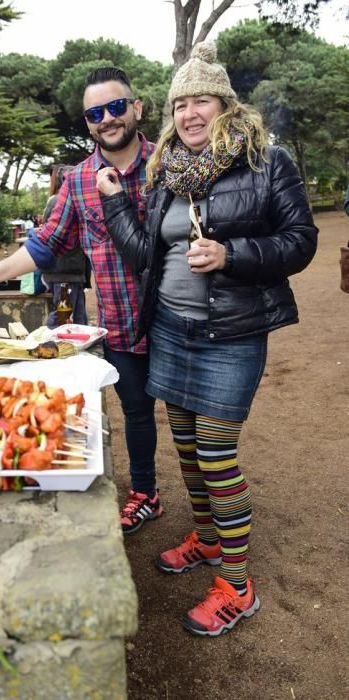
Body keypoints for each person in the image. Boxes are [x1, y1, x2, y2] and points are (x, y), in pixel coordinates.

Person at [97, 42, 318, 637]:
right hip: (172, 330)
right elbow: (148, 253)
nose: (189, 113)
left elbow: (301, 242)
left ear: (225, 103)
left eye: (201, 100)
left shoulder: (268, 162)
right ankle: (211, 539)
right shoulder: (165, 173)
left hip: (231, 335)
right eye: (180, 104)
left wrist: (232, 253)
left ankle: (238, 586)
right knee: (190, 453)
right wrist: (116, 205)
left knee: (218, 457)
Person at [0, 67, 161, 533]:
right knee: (135, 412)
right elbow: (44, 244)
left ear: (137, 108)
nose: (107, 119)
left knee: (190, 421)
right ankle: (147, 491)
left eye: (115, 107)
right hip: (121, 323)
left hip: (174, 319)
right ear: (87, 122)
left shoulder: (168, 163)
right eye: (95, 113)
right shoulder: (78, 179)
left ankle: (212, 520)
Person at [42, 164, 89, 328]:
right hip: (64, 273)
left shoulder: (58, 200)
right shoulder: (58, 201)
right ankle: (54, 348)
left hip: (69, 272)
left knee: (77, 316)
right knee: (63, 316)